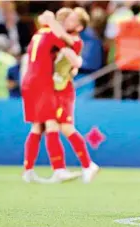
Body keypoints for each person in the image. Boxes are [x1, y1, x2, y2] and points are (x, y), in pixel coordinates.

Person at [21, 10, 79, 183]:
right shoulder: (53, 35)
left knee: (37, 127)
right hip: (42, 83)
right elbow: (73, 47)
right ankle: (59, 169)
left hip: (29, 82)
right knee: (51, 124)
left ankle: (28, 169)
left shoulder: (38, 34)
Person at [53, 7, 99, 183]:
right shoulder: (66, 39)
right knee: (53, 128)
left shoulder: (72, 41)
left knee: (63, 127)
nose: (65, 22)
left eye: (71, 20)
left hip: (62, 90)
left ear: (79, 27)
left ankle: (87, 164)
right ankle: (60, 168)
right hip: (57, 88)